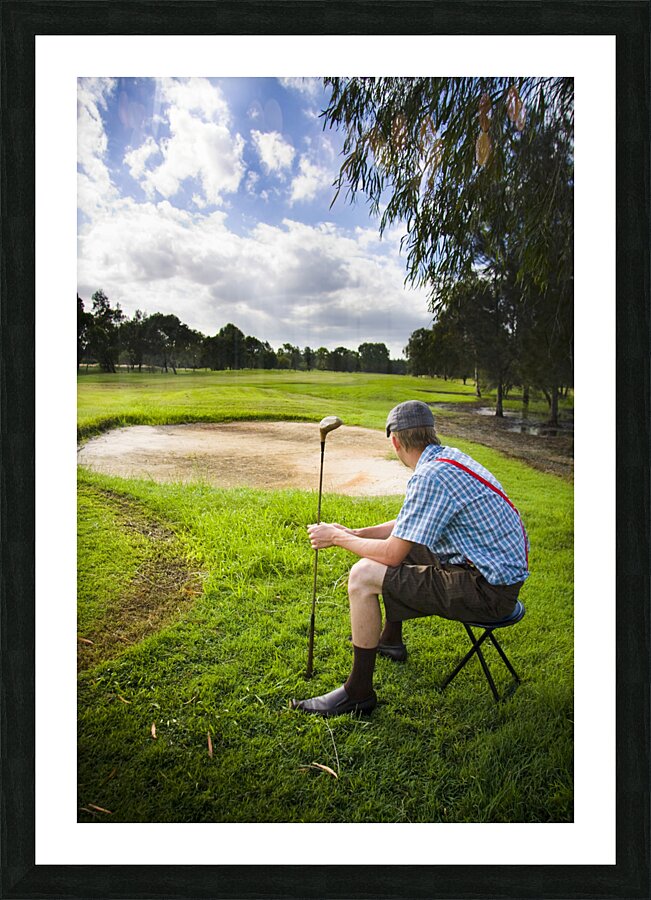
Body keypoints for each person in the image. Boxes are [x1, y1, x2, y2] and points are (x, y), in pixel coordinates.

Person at [291, 399, 529, 717]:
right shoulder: (446, 460)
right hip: (490, 575)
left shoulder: (430, 476)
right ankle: (390, 641)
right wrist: (357, 532)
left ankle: (358, 693)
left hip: (488, 593)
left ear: (396, 441)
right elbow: (409, 525)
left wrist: (337, 537)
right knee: (404, 550)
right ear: (431, 434)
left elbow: (392, 552)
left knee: (364, 574)